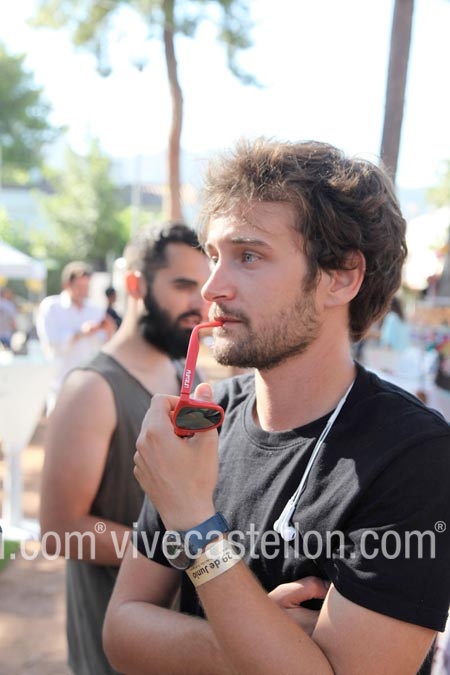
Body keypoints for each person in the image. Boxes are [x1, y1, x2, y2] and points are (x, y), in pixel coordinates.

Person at [103, 139, 450, 675]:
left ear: (341, 277)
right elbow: (122, 632)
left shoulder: (415, 457)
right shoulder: (202, 418)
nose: (211, 288)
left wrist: (195, 523)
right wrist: (261, 643)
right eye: (214, 256)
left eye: (248, 256)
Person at [39, 223, 211, 675]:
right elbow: (60, 529)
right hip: (112, 650)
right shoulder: (91, 388)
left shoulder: (184, 375)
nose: (199, 303)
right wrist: (191, 554)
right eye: (183, 285)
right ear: (135, 284)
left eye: (204, 288)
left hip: (179, 643)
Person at [36, 261, 115, 412]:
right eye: (79, 287)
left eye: (86, 287)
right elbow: (52, 345)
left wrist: (109, 330)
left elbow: (106, 347)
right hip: (60, 383)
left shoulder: (95, 309)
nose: (83, 292)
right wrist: (80, 333)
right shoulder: (51, 307)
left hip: (90, 386)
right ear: (67, 284)